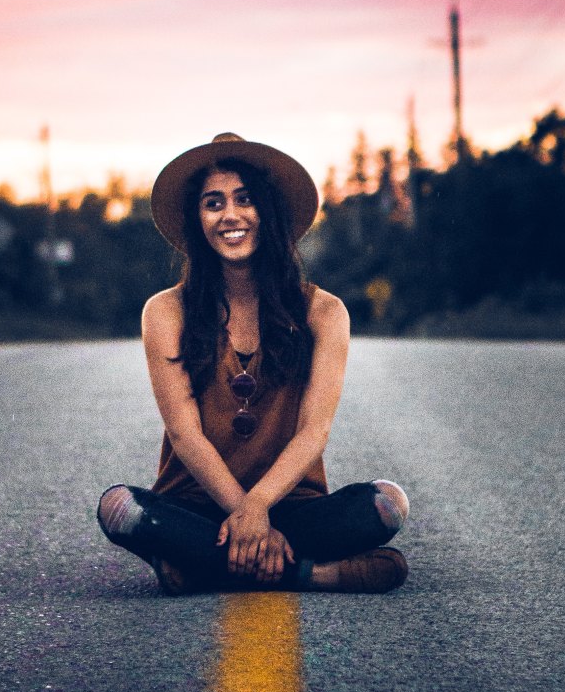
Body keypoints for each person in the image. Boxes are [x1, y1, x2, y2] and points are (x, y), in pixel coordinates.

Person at [96, 132, 410, 595]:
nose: (231, 216)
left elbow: (314, 432)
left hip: (290, 504)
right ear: (196, 220)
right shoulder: (166, 311)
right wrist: (244, 515)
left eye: (245, 199)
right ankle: (312, 574)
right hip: (196, 503)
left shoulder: (324, 312)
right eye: (213, 203)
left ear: (270, 213)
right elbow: (185, 434)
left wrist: (259, 507)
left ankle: (200, 568)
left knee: (387, 503)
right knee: (119, 508)